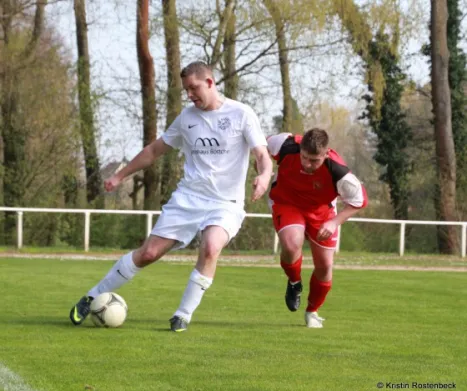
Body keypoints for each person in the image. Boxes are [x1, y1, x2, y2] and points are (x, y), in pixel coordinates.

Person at [69, 61, 273, 332]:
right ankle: (91, 297)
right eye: (186, 90)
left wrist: (264, 175)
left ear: (210, 82)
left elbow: (261, 154)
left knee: (211, 247)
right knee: (148, 253)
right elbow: (154, 151)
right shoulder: (186, 119)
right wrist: (120, 175)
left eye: (194, 88)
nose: (189, 95)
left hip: (226, 204)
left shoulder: (241, 113)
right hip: (188, 199)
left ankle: (183, 314)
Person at [266, 128, 368, 328]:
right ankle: (295, 283)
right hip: (287, 202)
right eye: (304, 157)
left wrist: (334, 222)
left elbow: (360, 201)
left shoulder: (338, 171)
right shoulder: (284, 144)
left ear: (326, 154)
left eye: (314, 161)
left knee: (325, 267)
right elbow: (259, 148)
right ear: (300, 148)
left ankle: (312, 311)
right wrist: (262, 171)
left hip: (321, 213)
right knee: (291, 243)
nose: (307, 164)